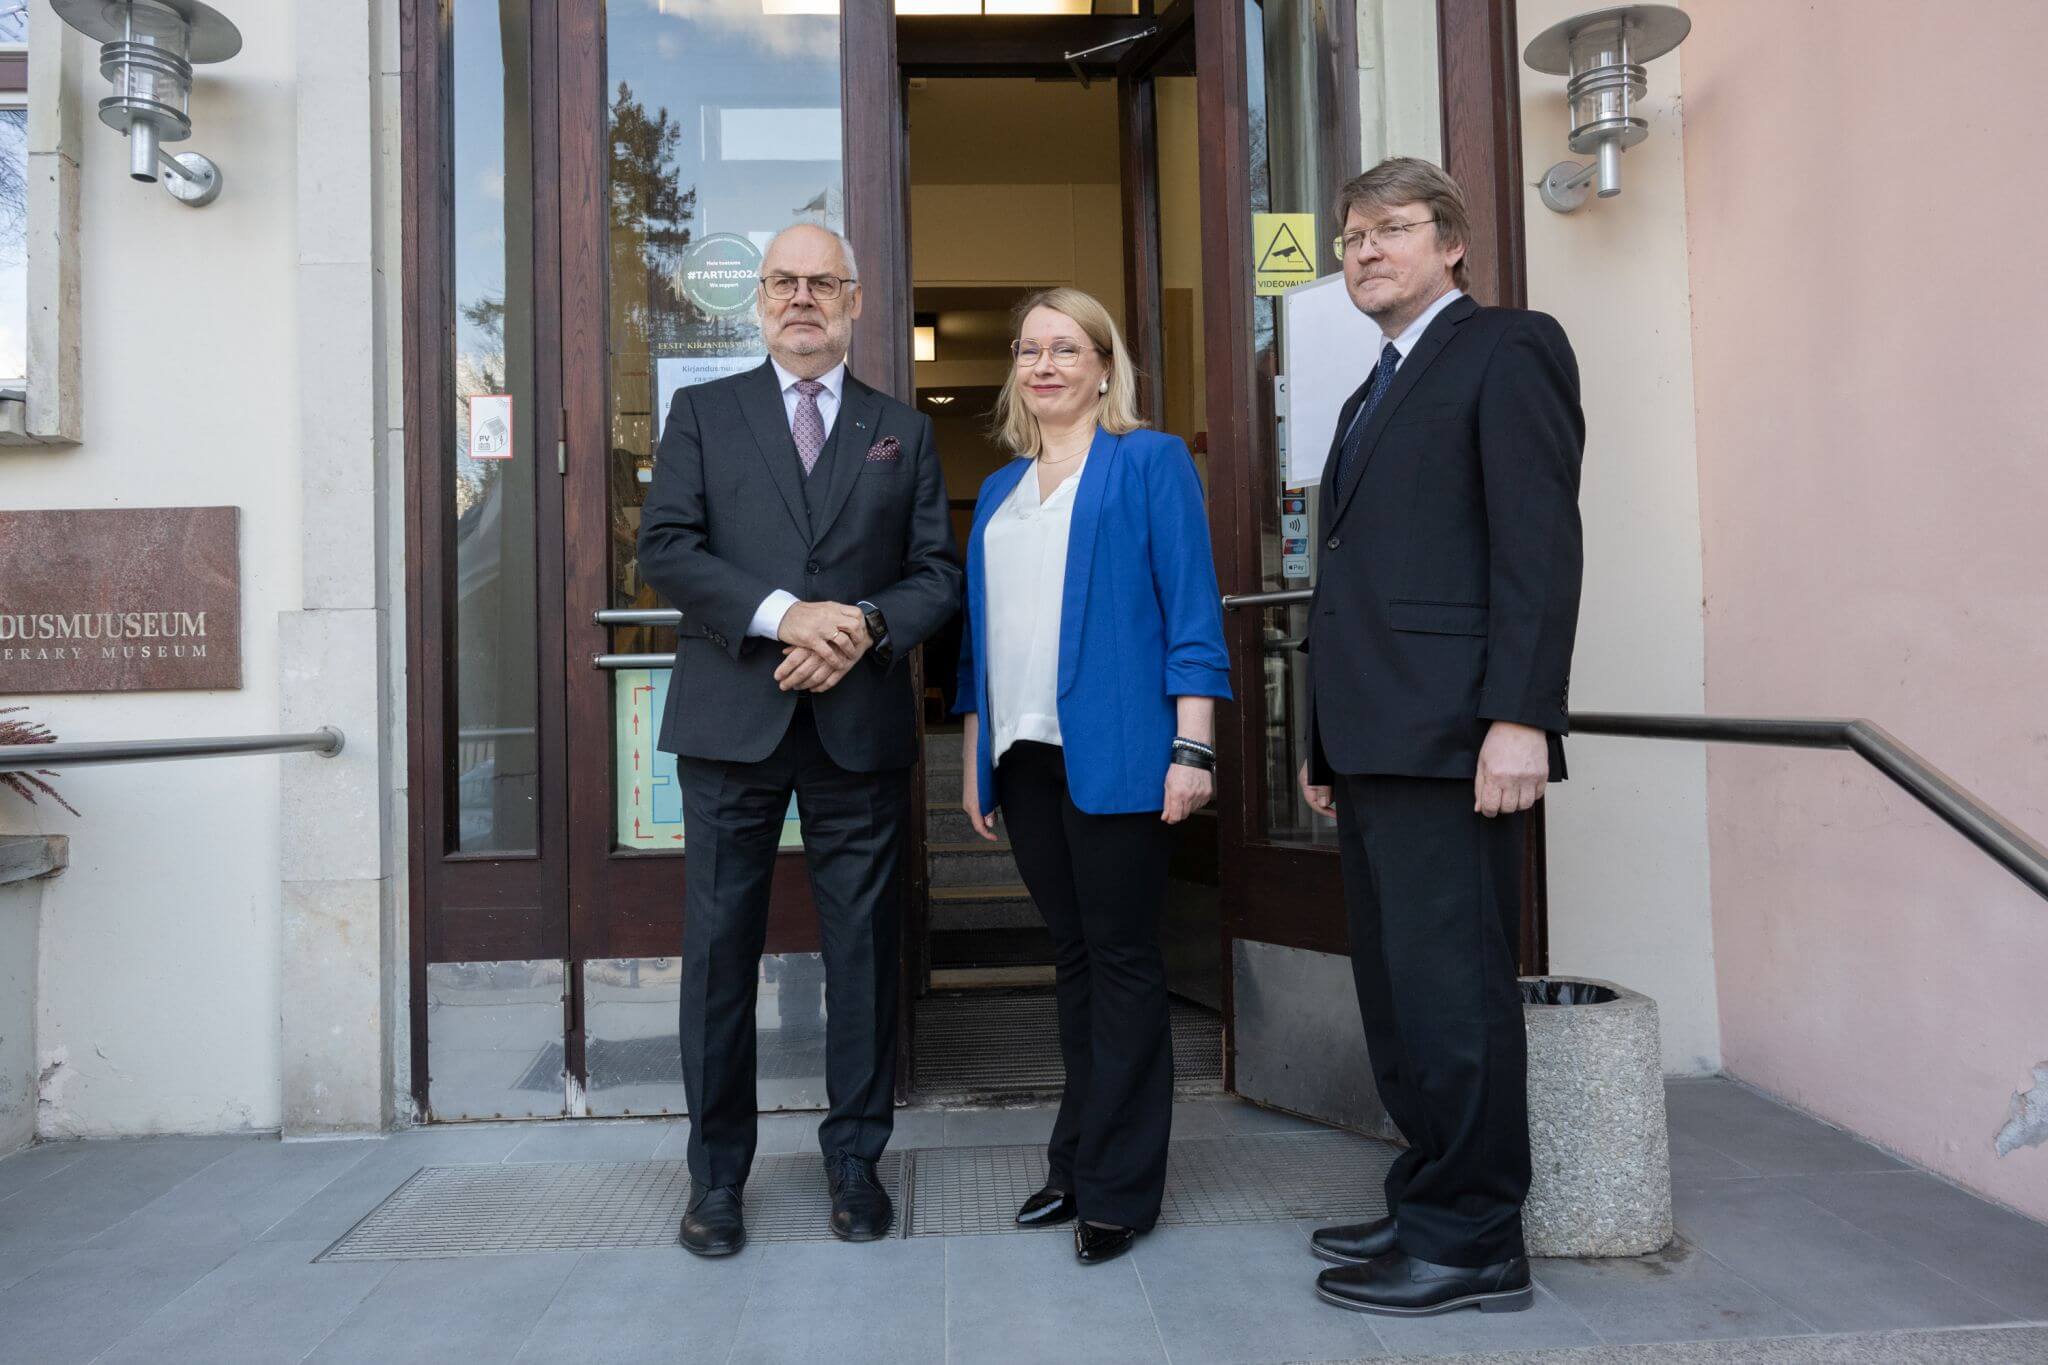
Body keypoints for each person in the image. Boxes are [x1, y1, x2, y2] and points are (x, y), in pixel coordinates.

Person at [638, 223, 963, 1257]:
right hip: (732, 722)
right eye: (783, 281)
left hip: (855, 726)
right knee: (718, 955)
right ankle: (716, 1178)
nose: (802, 298)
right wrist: (788, 616)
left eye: (823, 282)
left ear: (856, 301)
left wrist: (859, 626)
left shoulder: (900, 431)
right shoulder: (702, 414)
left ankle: (855, 1161)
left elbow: (936, 575)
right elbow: (666, 549)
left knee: (862, 952)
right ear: (760, 300)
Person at [1298, 158, 1584, 1315]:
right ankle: (1427, 1195)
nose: (1364, 251)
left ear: (1451, 241)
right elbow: (1346, 580)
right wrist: (1320, 742)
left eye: (1390, 229)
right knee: (1398, 997)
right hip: (1374, 741)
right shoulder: (1367, 390)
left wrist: (1520, 716)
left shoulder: (1507, 348)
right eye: (1350, 236)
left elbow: (1537, 545)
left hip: (1455, 737)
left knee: (1454, 997)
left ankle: (1473, 1241)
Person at [954, 287, 1232, 1265]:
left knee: (1121, 963)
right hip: (1022, 757)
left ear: (1105, 367)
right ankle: (1074, 1163)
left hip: (1119, 753)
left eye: (1066, 347)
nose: (1043, 364)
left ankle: (1120, 1189)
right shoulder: (999, 490)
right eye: (1029, 349)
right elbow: (979, 641)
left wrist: (1192, 747)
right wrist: (975, 757)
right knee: (1073, 961)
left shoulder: (1148, 461)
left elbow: (1191, 608)